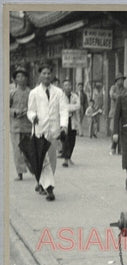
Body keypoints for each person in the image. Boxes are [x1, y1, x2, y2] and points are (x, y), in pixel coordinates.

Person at [26, 63, 68, 201]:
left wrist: (63, 126)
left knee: (52, 159)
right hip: (39, 130)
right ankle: (49, 188)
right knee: (43, 160)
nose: (46, 75)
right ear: (39, 75)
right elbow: (30, 110)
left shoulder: (59, 92)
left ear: (52, 75)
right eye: (43, 73)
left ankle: (43, 183)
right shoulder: (34, 93)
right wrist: (33, 117)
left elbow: (63, 110)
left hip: (54, 130)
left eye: (49, 73)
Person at [9, 66, 32, 181]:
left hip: (28, 125)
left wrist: (28, 111)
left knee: (28, 150)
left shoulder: (31, 93)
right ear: (15, 79)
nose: (20, 78)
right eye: (18, 76)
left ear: (27, 78)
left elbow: (35, 107)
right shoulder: (12, 93)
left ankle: (34, 169)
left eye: (23, 76)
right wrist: (14, 111)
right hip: (15, 126)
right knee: (17, 151)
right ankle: (20, 173)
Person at [61, 79, 81, 167]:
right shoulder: (60, 96)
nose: (67, 87)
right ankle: (65, 159)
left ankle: (69, 157)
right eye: (65, 85)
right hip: (64, 120)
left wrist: (67, 108)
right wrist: (69, 108)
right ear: (63, 87)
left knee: (72, 140)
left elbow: (78, 106)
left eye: (69, 85)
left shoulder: (75, 96)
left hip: (73, 120)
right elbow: (60, 106)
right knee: (65, 139)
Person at [109, 73, 127, 155]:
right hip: (114, 112)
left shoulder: (125, 89)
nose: (121, 81)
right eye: (120, 80)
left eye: (122, 80)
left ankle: (120, 149)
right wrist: (120, 97)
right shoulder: (113, 88)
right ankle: (113, 147)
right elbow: (112, 95)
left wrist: (120, 97)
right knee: (114, 130)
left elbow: (126, 97)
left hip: (122, 112)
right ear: (116, 81)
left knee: (121, 130)